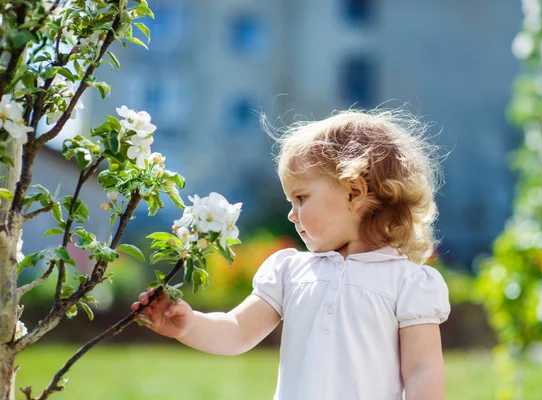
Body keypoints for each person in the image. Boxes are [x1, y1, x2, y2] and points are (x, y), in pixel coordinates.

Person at [131, 109, 451, 399]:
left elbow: (423, 372)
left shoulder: (408, 284)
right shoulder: (290, 271)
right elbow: (237, 329)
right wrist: (189, 324)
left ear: (354, 193)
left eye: (301, 198)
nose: (291, 214)